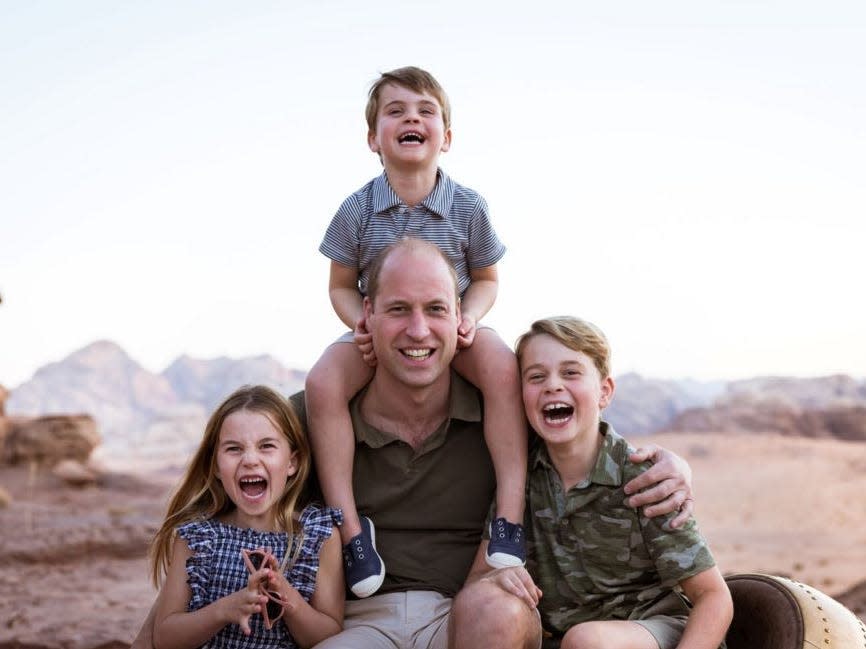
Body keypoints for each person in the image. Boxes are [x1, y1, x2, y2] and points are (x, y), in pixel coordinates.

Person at [132, 239, 696, 649]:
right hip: (357, 621)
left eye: (435, 310)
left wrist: (676, 464)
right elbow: (221, 513)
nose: (419, 331)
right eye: (398, 309)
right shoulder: (311, 422)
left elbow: (582, 438)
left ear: (461, 320)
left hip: (466, 613)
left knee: (499, 606)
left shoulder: (504, 416)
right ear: (367, 318)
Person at [304, 65, 529, 599]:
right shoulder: (357, 209)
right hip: (381, 331)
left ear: (446, 137)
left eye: (426, 111)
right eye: (396, 111)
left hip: (451, 328)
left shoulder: (468, 206)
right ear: (372, 137)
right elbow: (339, 284)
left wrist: (469, 315)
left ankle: (510, 517)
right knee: (321, 384)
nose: (412, 118)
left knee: (501, 365)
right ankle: (352, 531)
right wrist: (356, 321)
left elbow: (487, 278)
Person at [457, 317, 733, 649]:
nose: (553, 385)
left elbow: (714, 597)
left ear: (604, 391)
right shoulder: (521, 479)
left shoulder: (646, 479)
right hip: (566, 640)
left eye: (571, 372)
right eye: (536, 376)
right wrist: (496, 577)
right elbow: (476, 582)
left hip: (654, 630)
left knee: (588, 640)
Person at [147, 385, 344, 649]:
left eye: (266, 446)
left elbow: (328, 637)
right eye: (234, 449)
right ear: (216, 466)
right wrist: (225, 610)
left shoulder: (318, 536)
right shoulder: (197, 538)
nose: (250, 459)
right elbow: (165, 639)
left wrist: (284, 594)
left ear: (292, 463)